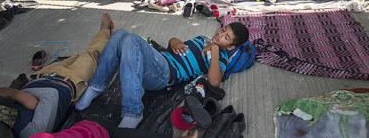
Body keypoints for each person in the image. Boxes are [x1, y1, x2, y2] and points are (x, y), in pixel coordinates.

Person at [0, 13, 115, 138]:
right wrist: (16, 95)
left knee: (81, 55)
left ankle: (105, 37)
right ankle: (106, 31)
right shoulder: (31, 132)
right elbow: (51, 96)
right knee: (93, 55)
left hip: (42, 75)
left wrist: (18, 95)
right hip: (69, 81)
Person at [74, 22, 250, 129]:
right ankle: (96, 86)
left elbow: (214, 81)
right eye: (223, 30)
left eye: (226, 37)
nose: (219, 35)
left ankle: (133, 111)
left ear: (232, 47)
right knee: (120, 34)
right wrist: (174, 40)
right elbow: (173, 48)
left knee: (130, 39)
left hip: (164, 74)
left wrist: (215, 50)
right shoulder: (202, 38)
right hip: (160, 59)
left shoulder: (221, 57)